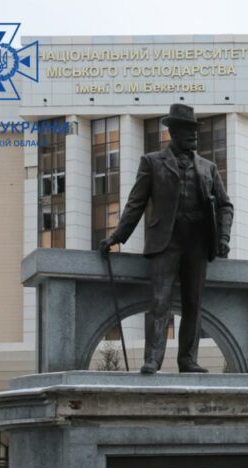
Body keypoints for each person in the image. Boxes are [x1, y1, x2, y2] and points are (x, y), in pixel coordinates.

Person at [98, 103, 233, 374]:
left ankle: (188, 360)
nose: (193, 135)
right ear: (173, 132)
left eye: (195, 130)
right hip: (165, 243)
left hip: (197, 243)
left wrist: (223, 237)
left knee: (194, 303)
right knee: (159, 301)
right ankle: (152, 360)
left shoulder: (208, 167)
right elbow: (135, 204)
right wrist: (117, 236)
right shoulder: (152, 162)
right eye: (187, 130)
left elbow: (224, 205)